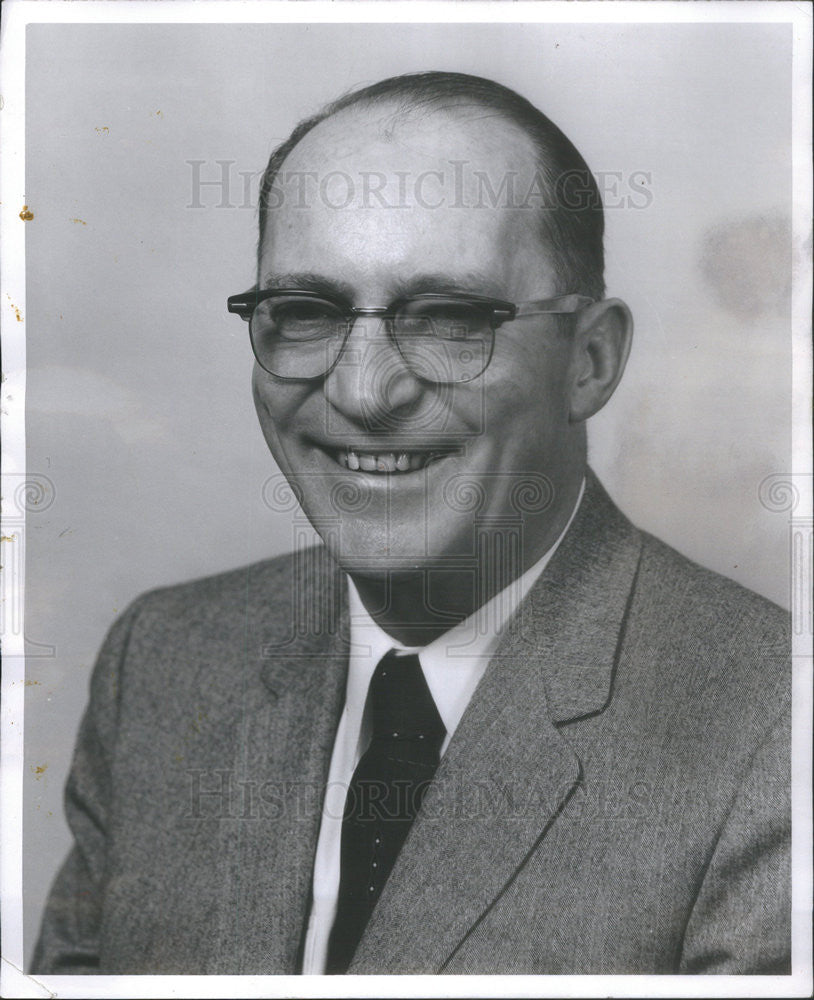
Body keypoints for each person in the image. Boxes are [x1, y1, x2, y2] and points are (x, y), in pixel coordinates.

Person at [33, 71, 790, 976]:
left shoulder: (774, 732)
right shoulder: (163, 662)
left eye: (446, 317)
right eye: (306, 313)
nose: (362, 392)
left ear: (589, 361)